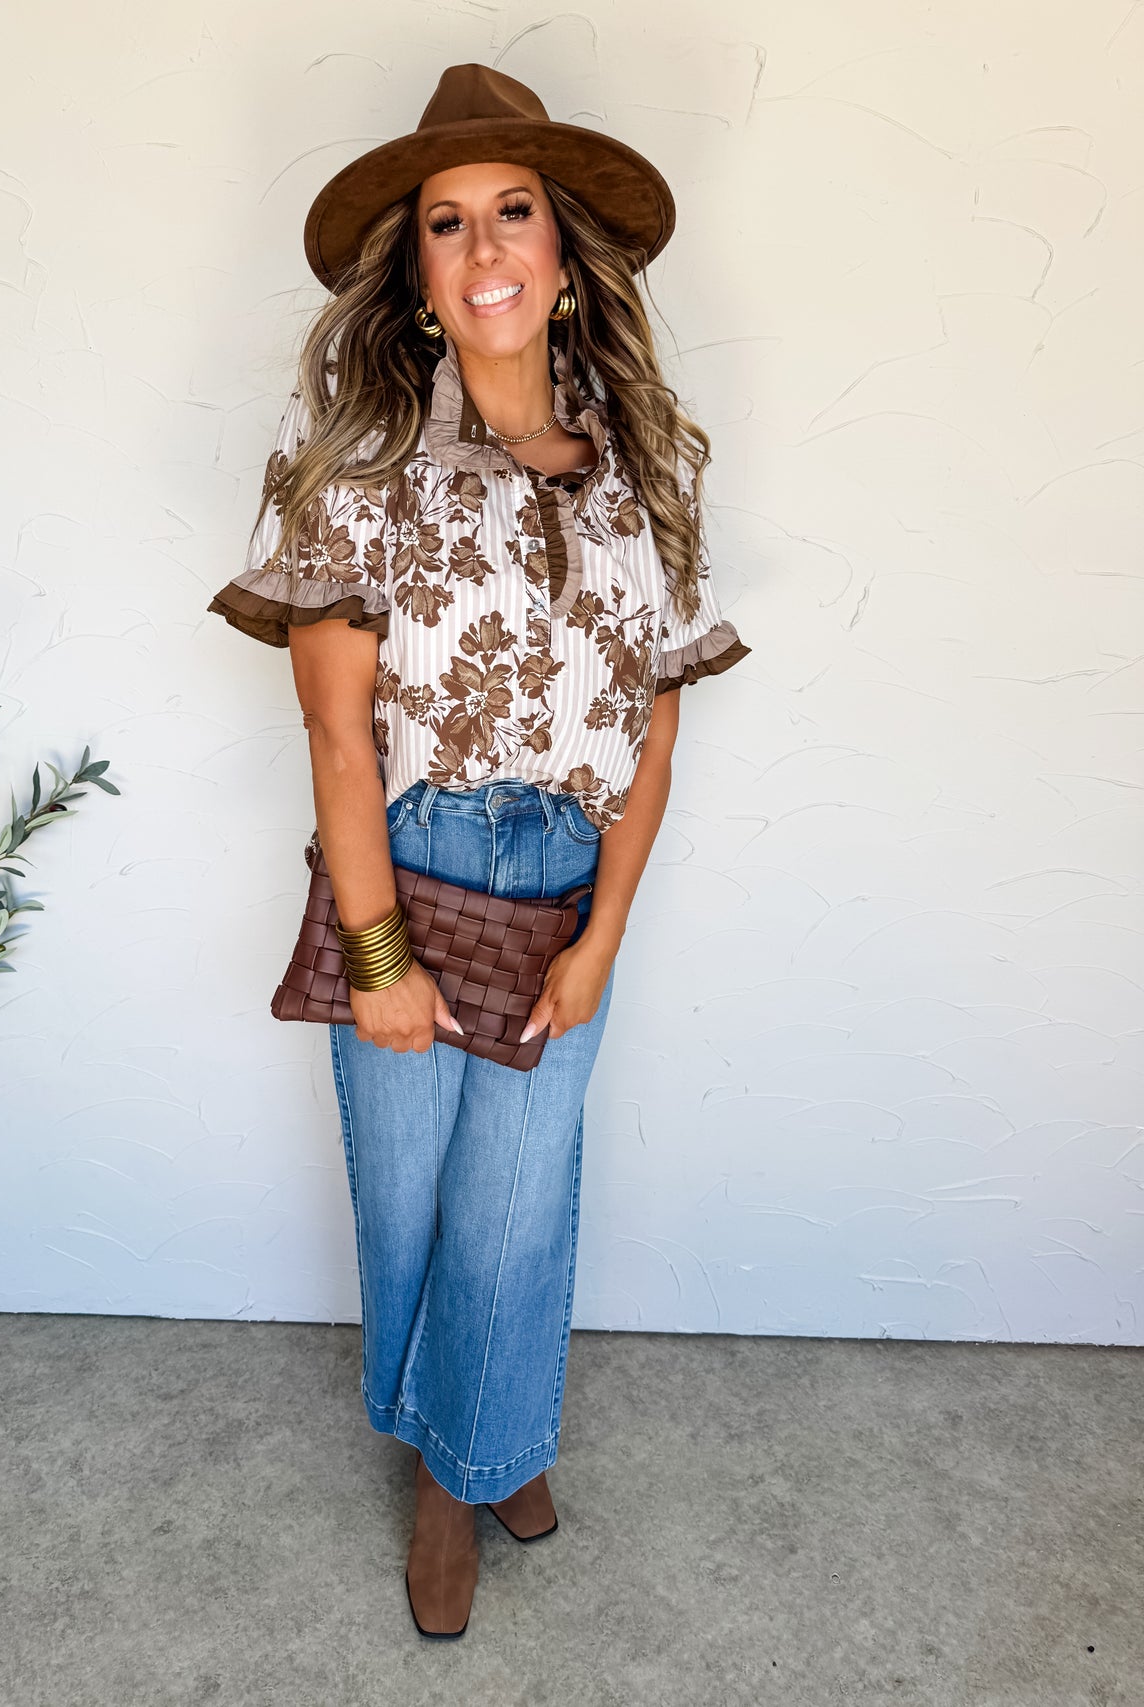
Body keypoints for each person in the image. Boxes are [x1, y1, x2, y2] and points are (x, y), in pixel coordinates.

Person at [207, 62, 751, 1639]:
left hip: (564, 879)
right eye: (447, 222)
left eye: (514, 209)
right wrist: (376, 956)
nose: (485, 244)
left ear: (565, 254)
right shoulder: (359, 471)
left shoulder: (650, 469)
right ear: (420, 274)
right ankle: (483, 1452)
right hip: (408, 856)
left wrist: (604, 936)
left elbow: (655, 729)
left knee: (515, 1209)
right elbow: (336, 741)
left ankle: (465, 1471)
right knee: (408, 1207)